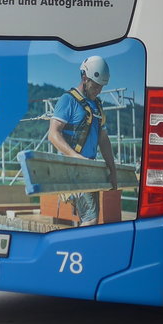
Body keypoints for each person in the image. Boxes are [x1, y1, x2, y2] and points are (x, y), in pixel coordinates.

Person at [46, 55, 119, 226]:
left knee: (90, 218)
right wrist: (75, 156)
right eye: (96, 86)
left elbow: (103, 139)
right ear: (85, 77)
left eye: (102, 86)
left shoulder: (97, 105)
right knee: (90, 219)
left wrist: (112, 168)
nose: (99, 90)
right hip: (73, 167)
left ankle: (79, 248)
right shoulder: (68, 100)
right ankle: (82, 250)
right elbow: (53, 134)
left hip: (88, 168)